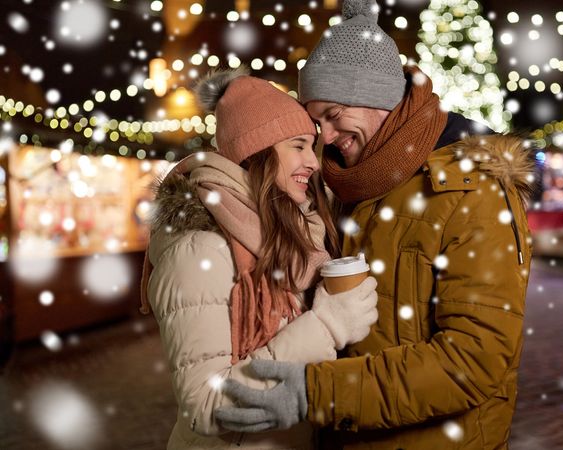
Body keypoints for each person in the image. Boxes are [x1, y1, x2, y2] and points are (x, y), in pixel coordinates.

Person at [214, 1, 535, 449]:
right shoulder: (349, 186)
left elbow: (474, 360)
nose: (323, 136)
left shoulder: (470, 191)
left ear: (377, 98)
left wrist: (319, 393)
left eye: (333, 113)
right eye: (314, 119)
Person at [139, 67, 379, 449]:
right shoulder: (200, 248)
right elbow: (205, 405)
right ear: (259, 152)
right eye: (298, 146)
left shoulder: (297, 237)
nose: (314, 163)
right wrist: (327, 327)